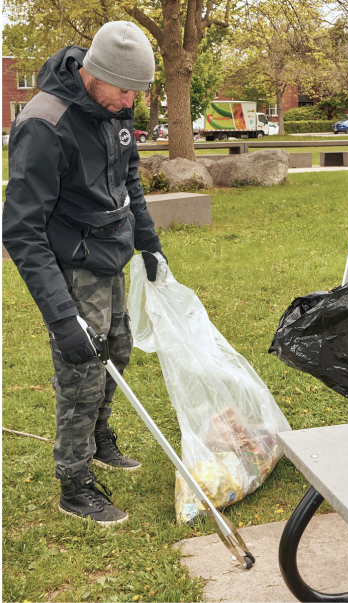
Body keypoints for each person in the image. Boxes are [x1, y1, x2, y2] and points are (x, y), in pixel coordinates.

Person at [3, 21, 168, 526]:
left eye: (137, 94)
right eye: (124, 91)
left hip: (109, 255)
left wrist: (149, 243)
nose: (129, 102)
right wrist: (62, 319)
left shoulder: (117, 104)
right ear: (95, 72)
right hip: (71, 265)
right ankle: (74, 485)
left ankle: (99, 439)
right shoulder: (44, 125)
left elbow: (129, 178)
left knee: (117, 352)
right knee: (82, 372)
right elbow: (21, 232)